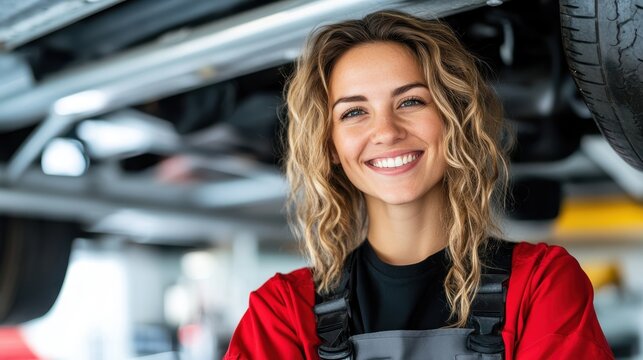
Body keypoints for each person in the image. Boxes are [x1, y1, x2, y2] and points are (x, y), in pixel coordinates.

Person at [224, 10, 613, 360]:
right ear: (331, 146)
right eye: (355, 112)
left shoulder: (541, 285)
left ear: (454, 119)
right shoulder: (284, 312)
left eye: (411, 102)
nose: (387, 132)